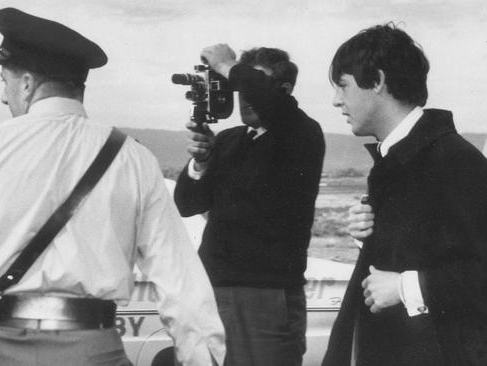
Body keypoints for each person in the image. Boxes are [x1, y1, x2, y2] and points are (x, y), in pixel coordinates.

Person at [0, 7, 225, 366]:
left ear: (28, 83)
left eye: (5, 81)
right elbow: (181, 279)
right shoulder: (132, 157)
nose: (3, 97)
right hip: (91, 351)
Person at [322, 24, 487, 366]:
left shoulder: (455, 162)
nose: (337, 100)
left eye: (343, 86)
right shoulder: (400, 158)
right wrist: (369, 236)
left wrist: (405, 287)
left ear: (377, 81)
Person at [174, 44, 325, 365]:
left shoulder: (301, 133)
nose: (243, 95)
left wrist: (227, 65)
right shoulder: (229, 140)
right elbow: (186, 204)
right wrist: (200, 163)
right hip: (212, 289)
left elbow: (270, 101)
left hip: (265, 296)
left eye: (250, 85)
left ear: (283, 91)